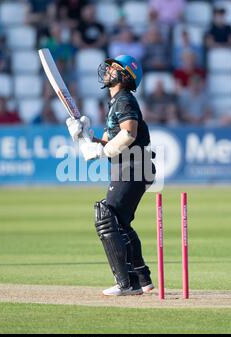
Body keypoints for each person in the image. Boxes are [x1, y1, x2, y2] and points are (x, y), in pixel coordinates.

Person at [66, 55, 155, 296]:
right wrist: (83, 136)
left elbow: (129, 134)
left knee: (106, 214)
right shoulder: (116, 102)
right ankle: (141, 279)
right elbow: (104, 143)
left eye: (114, 68)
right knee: (120, 223)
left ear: (124, 76)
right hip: (132, 166)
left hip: (135, 166)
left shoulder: (124, 99)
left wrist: (103, 149)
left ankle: (126, 283)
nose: (107, 70)